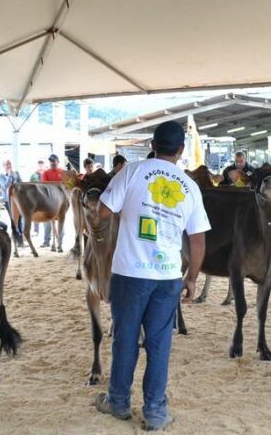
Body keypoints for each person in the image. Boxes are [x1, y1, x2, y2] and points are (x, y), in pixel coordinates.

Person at [94, 120, 208, 431]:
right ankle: (156, 410)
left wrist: (131, 211)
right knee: (159, 343)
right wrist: (192, 278)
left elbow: (102, 211)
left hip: (129, 273)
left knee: (125, 339)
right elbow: (198, 240)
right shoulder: (190, 187)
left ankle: (118, 401)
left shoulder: (131, 171)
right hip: (168, 277)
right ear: (181, 151)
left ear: (152, 145)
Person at [40, 154, 65, 247]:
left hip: (61, 201)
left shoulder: (62, 172)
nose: (52, 163)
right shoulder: (46, 172)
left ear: (58, 161)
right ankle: (46, 241)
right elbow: (44, 185)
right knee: (47, 220)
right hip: (49, 200)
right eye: (50, 161)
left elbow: (66, 184)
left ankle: (60, 242)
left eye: (54, 161)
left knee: (61, 220)